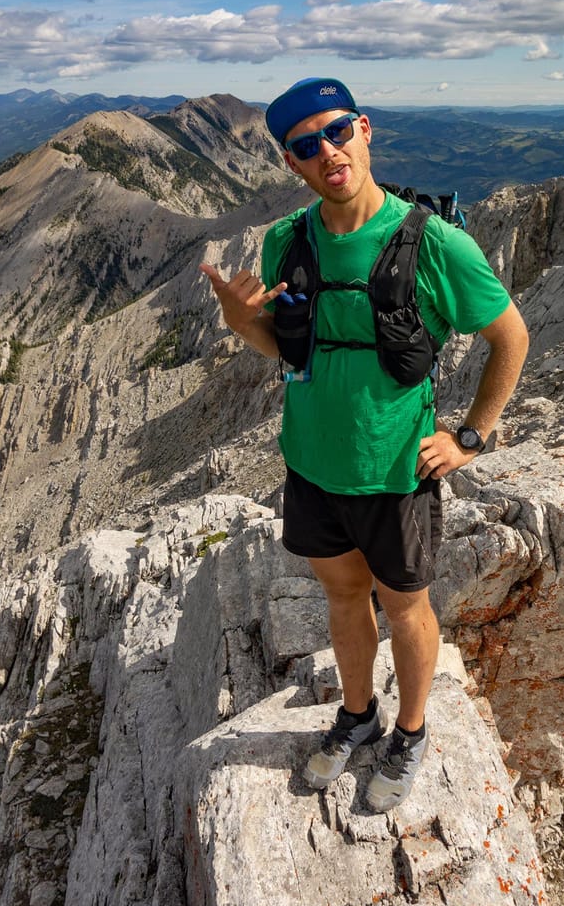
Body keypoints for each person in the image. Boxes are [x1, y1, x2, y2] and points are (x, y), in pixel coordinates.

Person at [200, 77, 529, 812]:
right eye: (305, 145)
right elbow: (287, 348)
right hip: (312, 465)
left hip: (395, 470)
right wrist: (237, 319)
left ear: (365, 129)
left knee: (406, 608)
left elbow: (511, 336)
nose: (328, 152)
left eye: (338, 130)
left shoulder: (434, 242)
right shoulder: (286, 242)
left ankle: (410, 730)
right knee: (344, 596)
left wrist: (469, 437)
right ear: (291, 161)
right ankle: (358, 714)